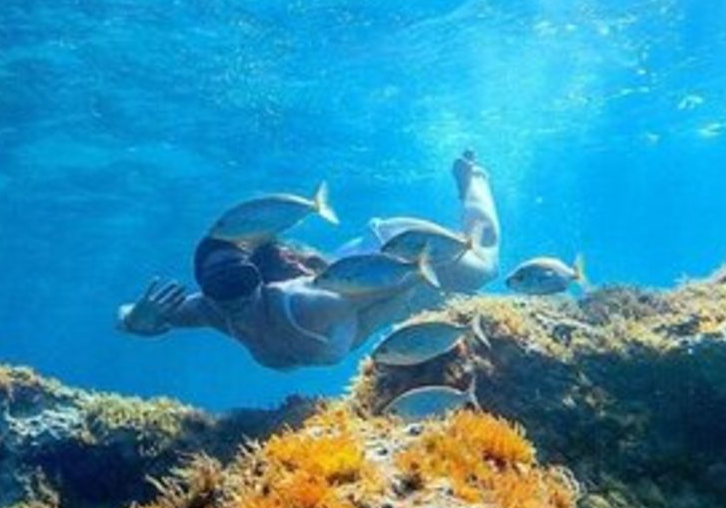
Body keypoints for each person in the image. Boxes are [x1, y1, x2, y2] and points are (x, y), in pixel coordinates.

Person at [115, 151, 500, 370]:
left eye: (240, 282)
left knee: (483, 265)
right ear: (203, 285)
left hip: (392, 249)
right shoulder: (213, 309)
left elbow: (405, 281)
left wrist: (424, 271)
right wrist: (135, 320)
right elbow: (127, 315)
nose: (232, 299)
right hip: (364, 280)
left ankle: (475, 178)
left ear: (262, 283)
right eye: (217, 286)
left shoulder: (310, 305)